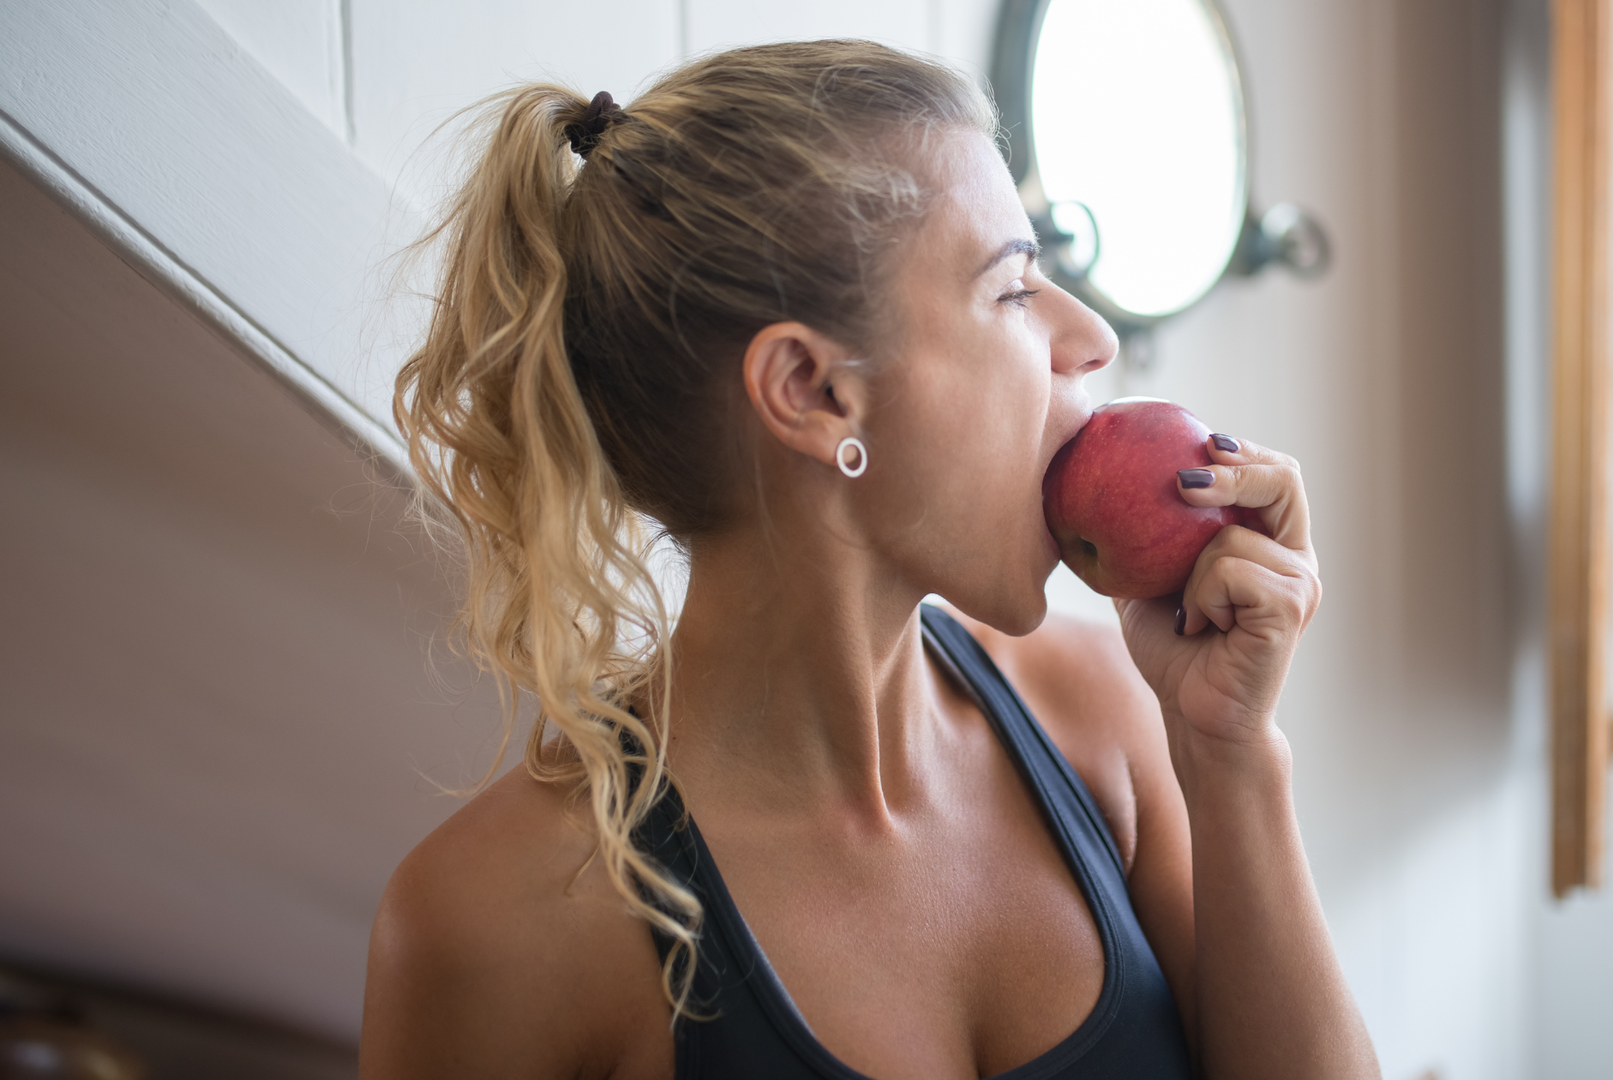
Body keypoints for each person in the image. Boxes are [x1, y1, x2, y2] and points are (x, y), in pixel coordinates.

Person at [359, 40, 1379, 1080]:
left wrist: (1235, 754)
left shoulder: (1105, 723)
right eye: (1014, 289)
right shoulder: (492, 926)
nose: (1094, 339)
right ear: (811, 390)